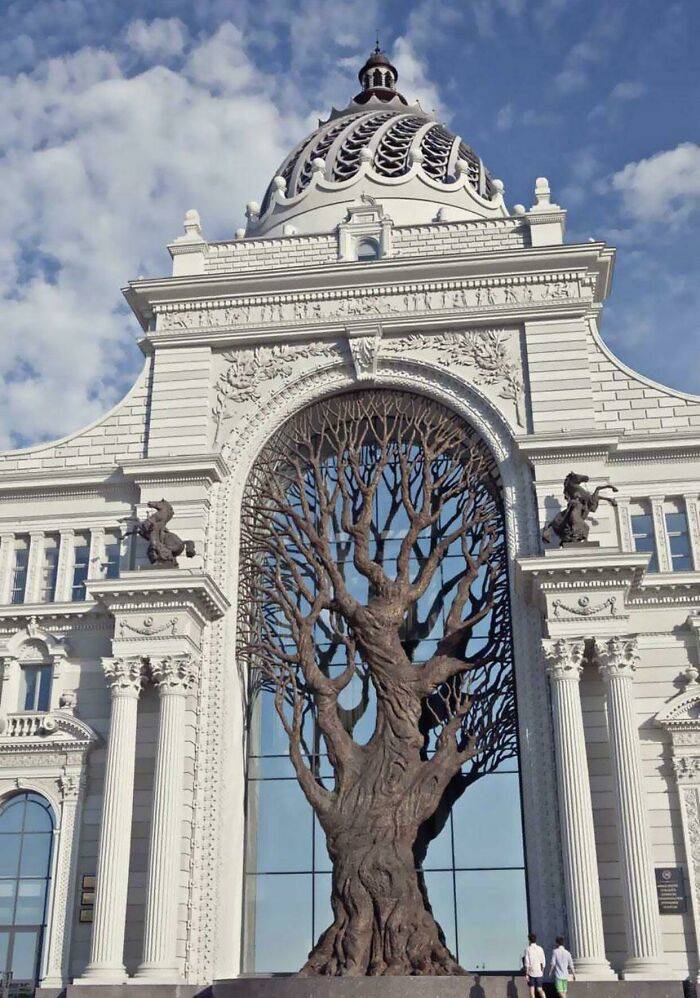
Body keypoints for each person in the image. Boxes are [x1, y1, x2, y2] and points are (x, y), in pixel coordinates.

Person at [522, 932, 546, 998]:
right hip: (539, 972)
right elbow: (543, 961)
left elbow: (527, 963)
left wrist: (526, 974)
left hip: (531, 972)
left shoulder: (527, 949)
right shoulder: (540, 948)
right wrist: (542, 971)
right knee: (540, 989)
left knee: (532, 991)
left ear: (529, 940)